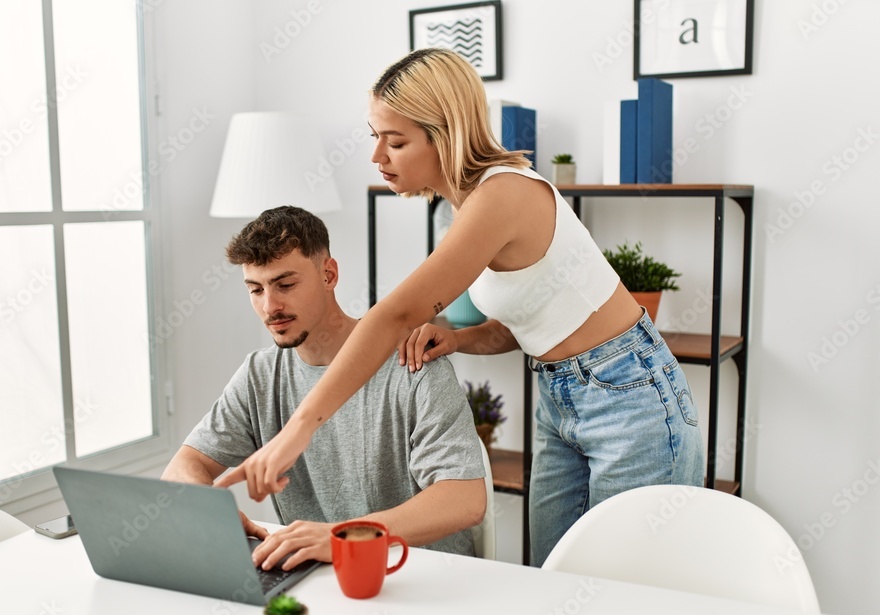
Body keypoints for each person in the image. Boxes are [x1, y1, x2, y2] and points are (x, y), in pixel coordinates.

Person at [217, 48, 704, 567]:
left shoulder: (504, 195)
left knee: (625, 588)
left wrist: (298, 430)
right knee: (557, 577)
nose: (377, 155)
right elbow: (530, 324)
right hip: (560, 396)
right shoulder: (467, 208)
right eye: (374, 135)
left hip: (629, 394)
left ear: (443, 134)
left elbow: (396, 315)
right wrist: (461, 338)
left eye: (396, 140)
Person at [164, 205, 487, 569]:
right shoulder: (260, 375)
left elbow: (465, 500)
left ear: (329, 274)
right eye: (256, 289)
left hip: (421, 578)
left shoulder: (411, 363)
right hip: (320, 580)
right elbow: (183, 465)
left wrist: (344, 537)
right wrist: (209, 510)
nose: (270, 306)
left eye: (285, 285)